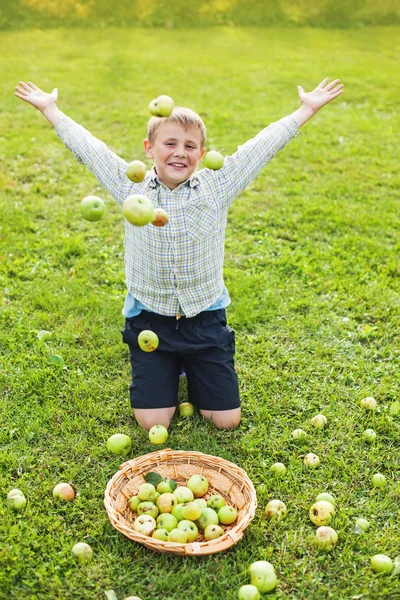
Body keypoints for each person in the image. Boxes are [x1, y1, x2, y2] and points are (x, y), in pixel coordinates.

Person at [14, 77, 344, 431]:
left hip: (204, 317)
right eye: (169, 143)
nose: (179, 152)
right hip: (150, 321)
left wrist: (306, 109)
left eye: (190, 146)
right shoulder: (131, 185)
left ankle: (192, 360)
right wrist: (50, 109)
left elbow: (261, 147)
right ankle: (169, 364)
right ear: (149, 148)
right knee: (151, 422)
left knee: (226, 422)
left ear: (201, 155)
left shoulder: (217, 185)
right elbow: (90, 150)